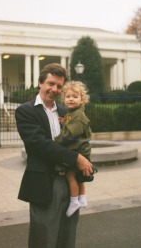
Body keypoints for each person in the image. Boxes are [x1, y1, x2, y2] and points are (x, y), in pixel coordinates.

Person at [15, 63, 94, 248]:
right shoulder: (25, 111)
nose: (55, 89)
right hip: (45, 183)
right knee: (43, 238)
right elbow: (40, 146)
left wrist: (86, 162)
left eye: (59, 86)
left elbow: (79, 140)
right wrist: (76, 159)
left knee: (67, 237)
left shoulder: (66, 111)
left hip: (69, 181)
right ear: (40, 83)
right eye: (51, 83)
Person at [54, 81, 94, 217]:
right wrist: (63, 121)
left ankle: (74, 201)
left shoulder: (78, 116)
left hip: (79, 151)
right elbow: (70, 123)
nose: (71, 99)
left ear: (82, 100)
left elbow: (69, 134)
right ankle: (82, 199)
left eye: (75, 96)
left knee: (70, 175)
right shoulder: (72, 113)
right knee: (79, 177)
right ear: (64, 99)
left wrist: (55, 141)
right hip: (81, 150)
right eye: (68, 96)